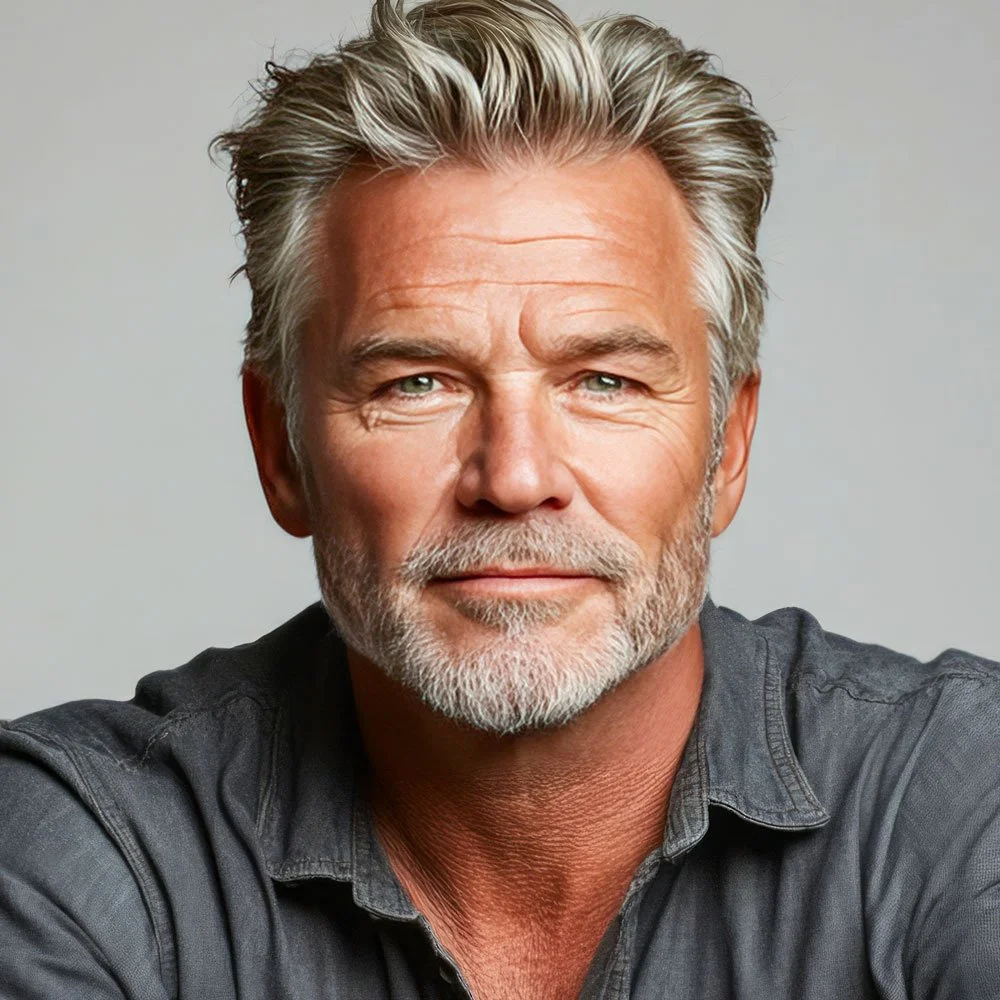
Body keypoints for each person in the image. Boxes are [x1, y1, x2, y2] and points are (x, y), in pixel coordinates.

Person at [1, 0, 997, 997]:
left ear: (726, 448)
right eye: (415, 382)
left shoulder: (956, 803)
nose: (516, 479)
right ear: (281, 449)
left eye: (604, 381)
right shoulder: (88, 854)